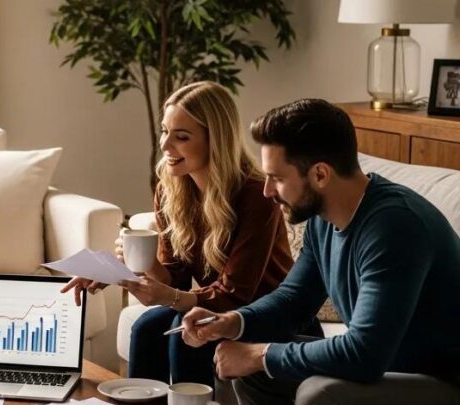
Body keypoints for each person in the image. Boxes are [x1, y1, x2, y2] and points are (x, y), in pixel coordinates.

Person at [181, 99, 460, 405]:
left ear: (320, 174)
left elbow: (364, 354)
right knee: (257, 370)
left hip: (444, 384)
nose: (267, 191)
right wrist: (233, 322)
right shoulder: (323, 220)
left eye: (277, 178)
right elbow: (294, 299)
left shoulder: (395, 227)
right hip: (392, 369)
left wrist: (261, 354)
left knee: (319, 397)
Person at [63, 81, 318, 386]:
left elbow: (233, 296)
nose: (165, 145)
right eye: (164, 131)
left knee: (183, 332)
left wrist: (169, 296)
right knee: (147, 327)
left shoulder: (255, 194)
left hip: (265, 317)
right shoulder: (171, 189)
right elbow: (178, 280)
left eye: (181, 137)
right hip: (220, 309)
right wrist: (118, 271)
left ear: (215, 141)